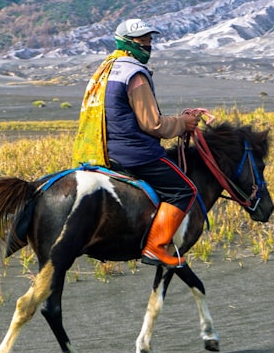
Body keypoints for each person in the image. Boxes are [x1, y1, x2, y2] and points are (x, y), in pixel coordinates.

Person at [72, 18, 203, 268]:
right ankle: (156, 246)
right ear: (126, 42)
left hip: (105, 150)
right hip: (135, 153)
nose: (147, 45)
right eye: (141, 40)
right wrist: (183, 123)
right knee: (184, 190)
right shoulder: (135, 74)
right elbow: (152, 124)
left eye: (149, 39)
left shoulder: (106, 69)